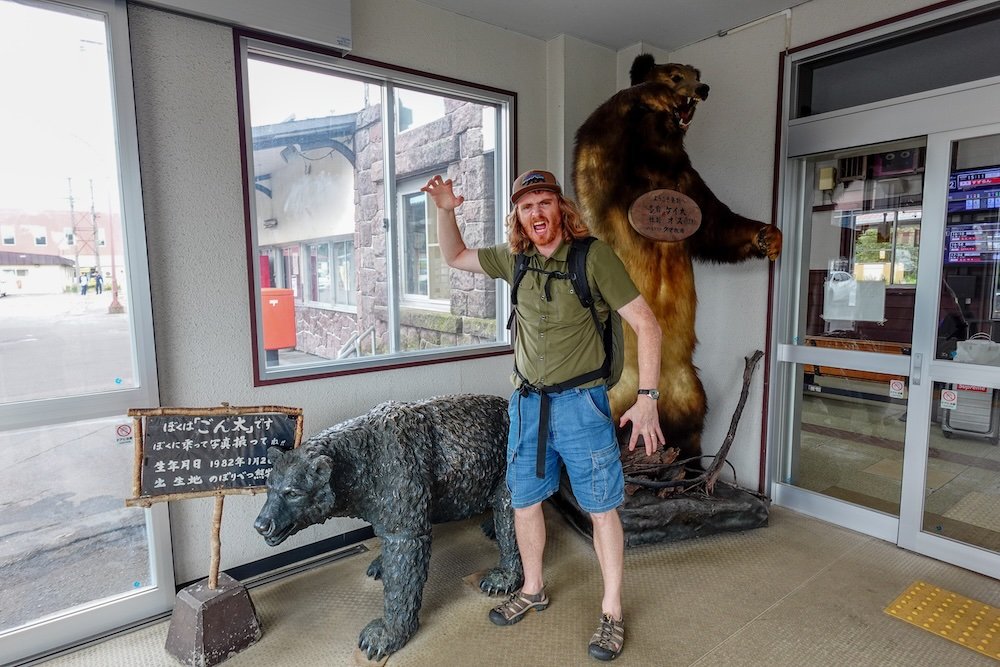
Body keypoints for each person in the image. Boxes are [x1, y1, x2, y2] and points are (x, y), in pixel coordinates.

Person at [422, 170, 664, 661]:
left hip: (582, 405)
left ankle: (612, 610)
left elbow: (647, 322)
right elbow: (454, 256)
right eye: (526, 205)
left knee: (601, 509)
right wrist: (446, 210)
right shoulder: (516, 259)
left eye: (544, 203)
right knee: (525, 502)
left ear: (561, 208)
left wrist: (648, 398)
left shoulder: (592, 257)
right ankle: (533, 588)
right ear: (518, 215)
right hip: (529, 406)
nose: (536, 213)